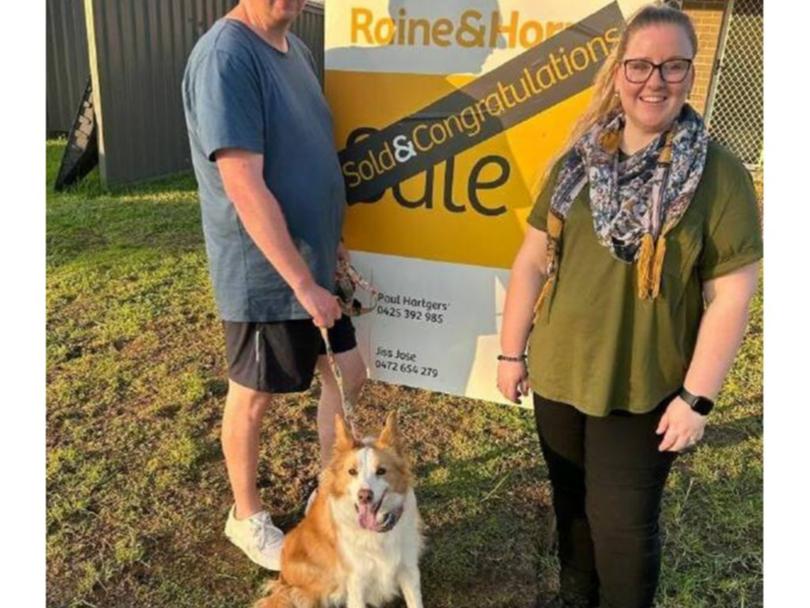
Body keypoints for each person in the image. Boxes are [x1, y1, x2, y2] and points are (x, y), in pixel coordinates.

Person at [497, 4, 762, 607]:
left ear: (690, 74)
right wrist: (512, 352)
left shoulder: (717, 175)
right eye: (640, 65)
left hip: (643, 389)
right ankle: (575, 598)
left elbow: (732, 294)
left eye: (672, 66)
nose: (655, 80)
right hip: (560, 378)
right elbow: (531, 261)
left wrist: (697, 397)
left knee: (623, 530)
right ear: (619, 72)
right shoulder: (578, 162)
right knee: (572, 508)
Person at [181, 0, 367, 571]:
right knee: (254, 395)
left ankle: (326, 495)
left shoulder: (297, 50)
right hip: (265, 274)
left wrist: (329, 241)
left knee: (349, 372)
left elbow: (306, 155)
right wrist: (301, 283)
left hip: (313, 261)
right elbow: (243, 184)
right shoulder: (227, 55)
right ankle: (246, 517)